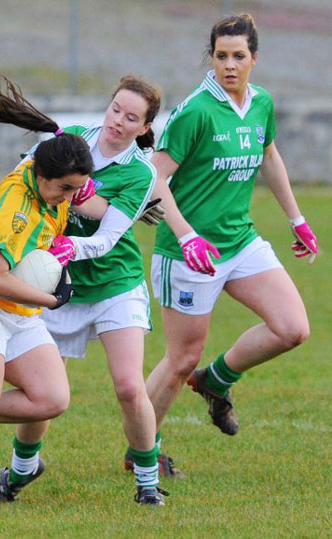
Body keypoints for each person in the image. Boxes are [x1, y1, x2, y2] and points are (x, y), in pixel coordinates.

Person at [0, 73, 169, 509]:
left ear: (145, 127)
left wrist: (74, 239)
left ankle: (147, 482)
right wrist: (53, 272)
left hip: (108, 280)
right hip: (39, 283)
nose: (118, 121)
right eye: (115, 109)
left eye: (132, 118)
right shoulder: (67, 144)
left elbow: (108, 236)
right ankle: (18, 469)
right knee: (36, 396)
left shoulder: (139, 173)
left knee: (128, 387)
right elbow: (22, 183)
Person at [144, 13, 318, 451]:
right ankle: (143, 453)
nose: (229, 65)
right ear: (213, 58)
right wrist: (187, 236)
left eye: (238, 56)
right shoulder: (196, 112)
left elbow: (270, 157)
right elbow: (155, 179)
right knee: (181, 358)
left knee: (292, 327)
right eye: (221, 56)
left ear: (254, 59)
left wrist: (296, 220)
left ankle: (216, 381)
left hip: (239, 242)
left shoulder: (261, 103)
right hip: (188, 254)